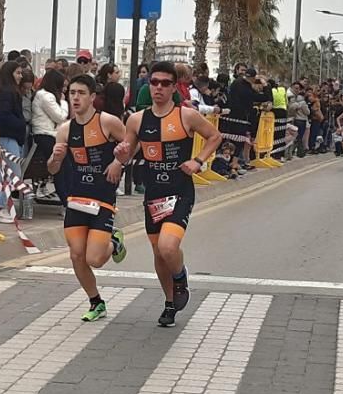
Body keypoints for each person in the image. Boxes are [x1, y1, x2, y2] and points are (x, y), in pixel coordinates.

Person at [115, 61, 222, 328]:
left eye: (165, 83)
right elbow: (129, 151)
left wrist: (198, 161)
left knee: (168, 247)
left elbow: (214, 136)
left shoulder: (186, 116)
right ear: (148, 85)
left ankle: (180, 277)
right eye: (154, 82)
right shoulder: (137, 120)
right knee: (158, 254)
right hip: (154, 194)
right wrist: (119, 157)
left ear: (174, 87)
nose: (159, 88)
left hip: (180, 191)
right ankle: (170, 303)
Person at [47, 74, 127, 322]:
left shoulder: (108, 122)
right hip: (76, 199)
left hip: (102, 198)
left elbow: (130, 146)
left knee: (95, 258)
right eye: (72, 93)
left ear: (93, 97)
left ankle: (114, 242)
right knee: (76, 255)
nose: (76, 98)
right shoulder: (64, 130)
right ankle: (96, 302)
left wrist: (117, 162)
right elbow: (52, 169)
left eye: (81, 93)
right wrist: (56, 158)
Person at [0, 61, 27, 224]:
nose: (20, 76)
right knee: (12, 174)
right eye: (17, 73)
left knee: (4, 174)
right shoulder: (8, 92)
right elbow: (2, 116)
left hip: (5, 137)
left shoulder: (3, 91)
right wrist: (20, 124)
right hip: (7, 137)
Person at [32, 69, 69, 203]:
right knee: (60, 165)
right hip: (45, 135)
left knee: (63, 165)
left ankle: (66, 198)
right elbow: (60, 116)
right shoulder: (46, 96)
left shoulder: (45, 95)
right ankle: (66, 200)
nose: (64, 90)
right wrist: (64, 102)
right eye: (63, 86)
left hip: (50, 134)